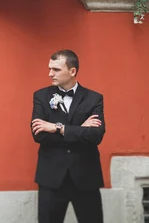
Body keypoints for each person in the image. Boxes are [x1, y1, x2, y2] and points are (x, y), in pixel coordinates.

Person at [31, 50, 105, 223]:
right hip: (51, 178)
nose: (50, 74)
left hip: (86, 177)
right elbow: (39, 135)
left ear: (72, 71)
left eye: (56, 70)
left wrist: (57, 128)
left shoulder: (94, 99)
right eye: (50, 69)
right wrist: (80, 130)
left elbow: (96, 135)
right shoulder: (41, 96)